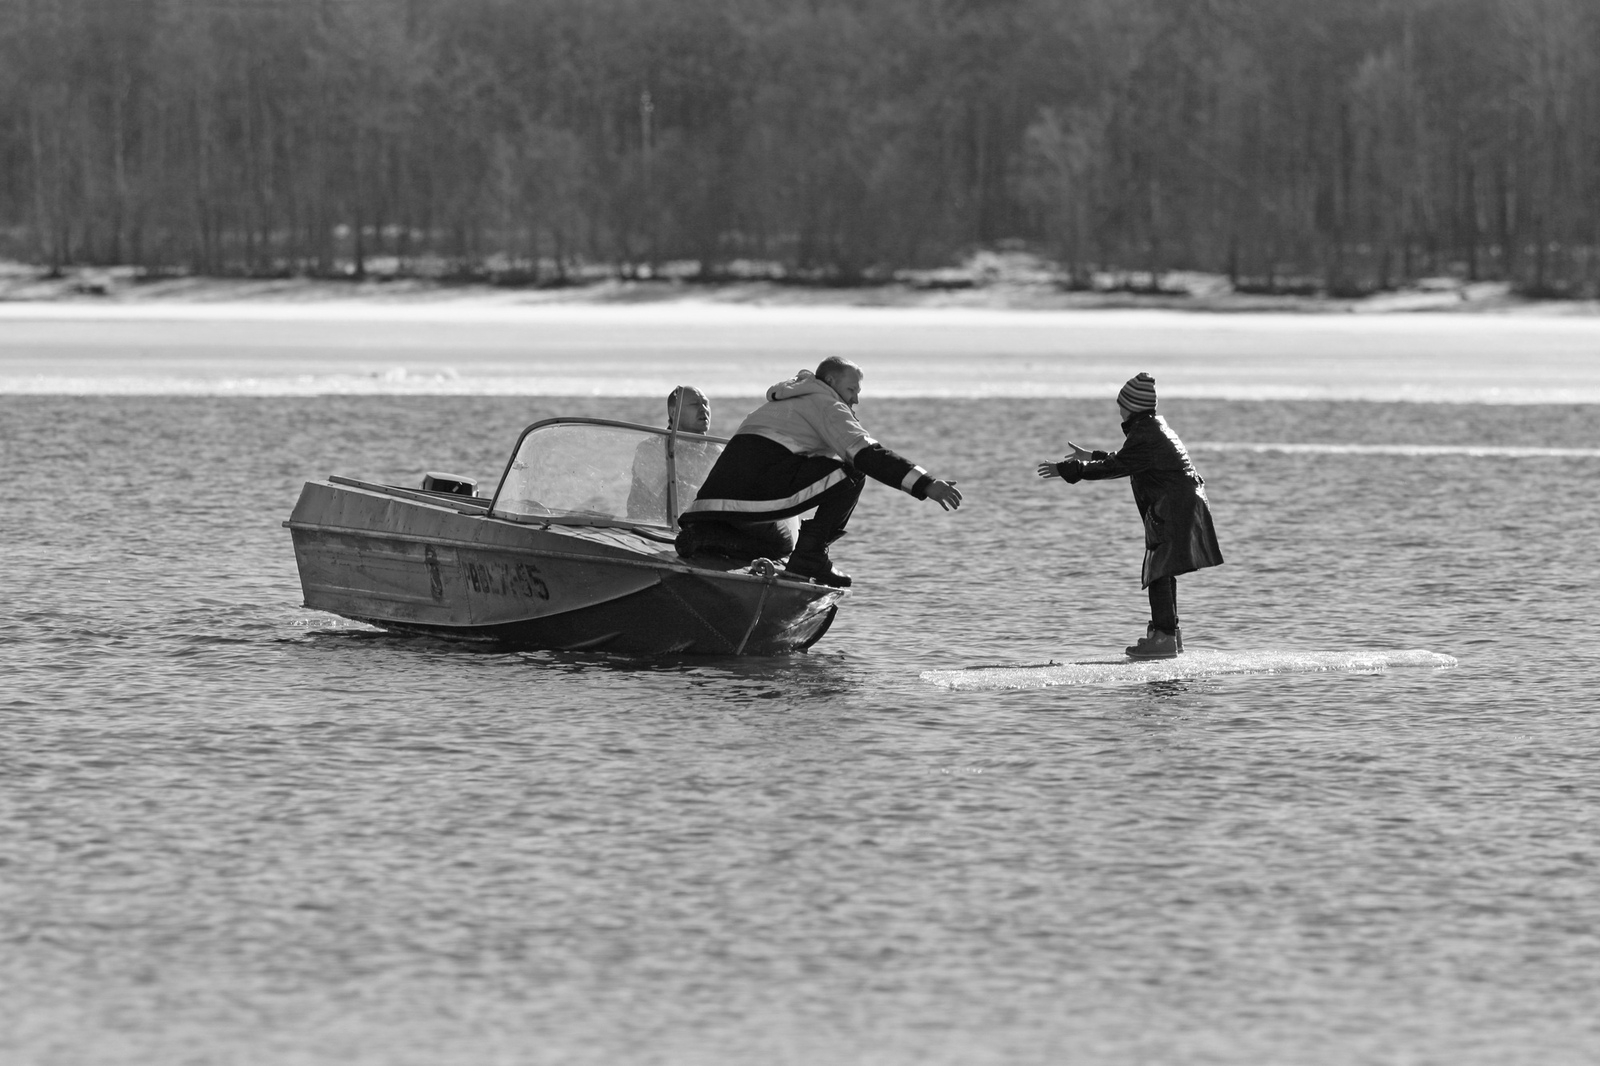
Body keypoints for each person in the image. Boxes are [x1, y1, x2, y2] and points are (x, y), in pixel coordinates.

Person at [677, 357, 962, 587]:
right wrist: (925, 484)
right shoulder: (826, 404)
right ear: (830, 382)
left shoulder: (782, 400)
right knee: (853, 472)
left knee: (778, 543)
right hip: (756, 493)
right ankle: (811, 557)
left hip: (712, 502)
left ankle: (708, 537)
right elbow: (867, 454)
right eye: (852, 390)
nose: (856, 400)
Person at [1036, 372, 1223, 659]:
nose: (1119, 410)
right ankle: (1169, 634)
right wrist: (1092, 456)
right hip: (1178, 504)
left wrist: (1070, 470)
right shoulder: (1151, 430)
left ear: (1134, 406)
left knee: (1159, 569)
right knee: (1164, 567)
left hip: (1173, 506)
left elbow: (1116, 467)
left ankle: (1164, 638)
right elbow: (1127, 459)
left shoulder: (1147, 433)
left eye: (1122, 405)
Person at [626, 386, 717, 522]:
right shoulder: (652, 448)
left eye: (706, 404)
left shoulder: (716, 452)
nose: (703, 409)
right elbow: (666, 495)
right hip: (649, 530)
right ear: (674, 413)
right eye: (695, 404)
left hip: (698, 530)